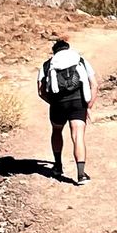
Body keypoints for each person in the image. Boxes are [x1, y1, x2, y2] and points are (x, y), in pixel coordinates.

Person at [38, 35, 96, 183]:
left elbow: (40, 91)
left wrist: (53, 102)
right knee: (78, 136)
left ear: (54, 52)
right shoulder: (80, 60)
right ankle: (81, 174)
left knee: (57, 131)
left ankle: (57, 166)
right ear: (68, 49)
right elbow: (94, 84)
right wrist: (88, 105)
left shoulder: (47, 64)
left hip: (58, 103)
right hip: (78, 102)